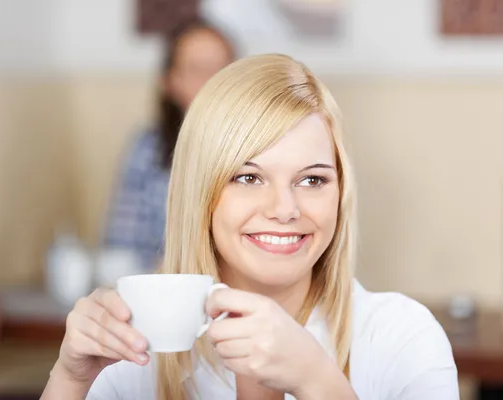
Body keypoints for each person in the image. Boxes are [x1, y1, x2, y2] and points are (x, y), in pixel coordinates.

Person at [42, 54, 459, 399]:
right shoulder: (136, 354)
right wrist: (71, 378)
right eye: (248, 177)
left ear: (340, 193)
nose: (284, 209)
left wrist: (317, 379)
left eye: (312, 179)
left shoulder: (404, 337)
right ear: (199, 192)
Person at [100, 20, 235, 272]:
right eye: (197, 69)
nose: (213, 81)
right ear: (169, 81)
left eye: (223, 68)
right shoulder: (147, 149)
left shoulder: (261, 147)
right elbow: (120, 250)